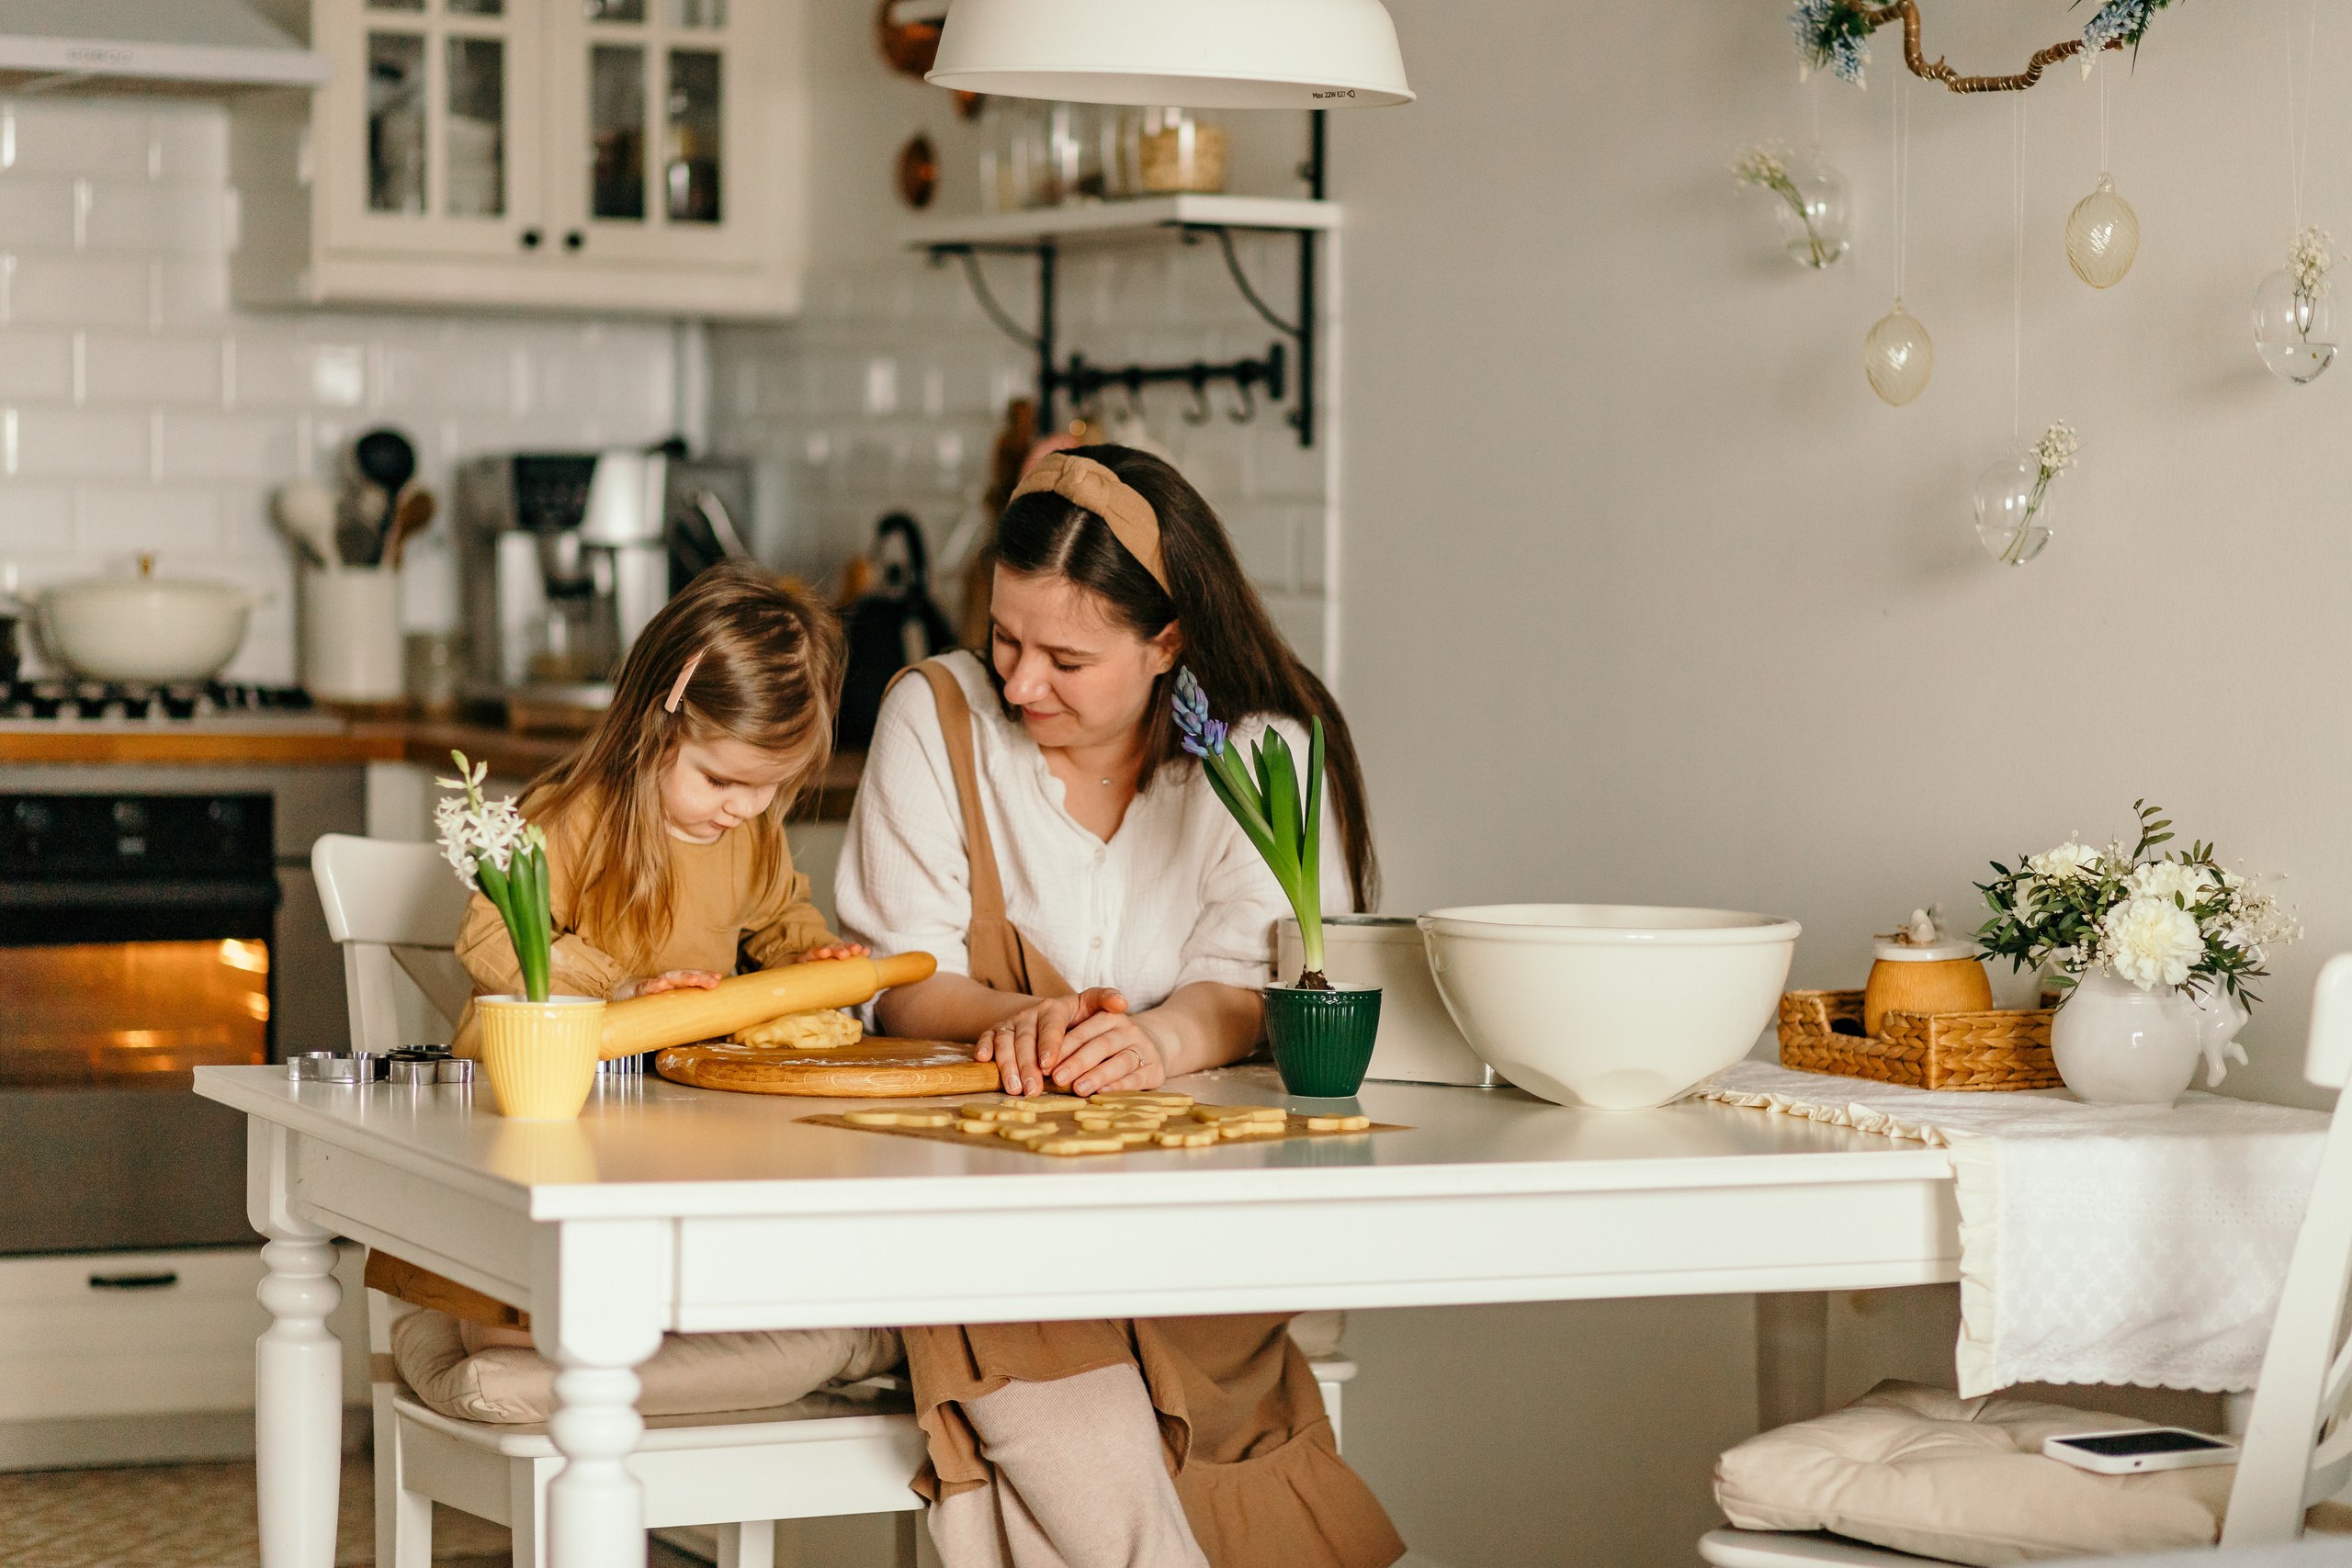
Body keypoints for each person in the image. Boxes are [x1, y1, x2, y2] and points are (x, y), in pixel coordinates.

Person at [836, 446, 1402, 1568]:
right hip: (984, 1194)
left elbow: (1260, 988)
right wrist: (1014, 1019)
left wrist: (1154, 1040)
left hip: (1196, 1208)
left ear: (1166, 642)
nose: (1019, 683)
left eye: (1066, 658)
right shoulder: (933, 717)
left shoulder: (1262, 756)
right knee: (1003, 1272)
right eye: (1004, 639)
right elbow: (899, 983)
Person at [380, 562, 900, 1414]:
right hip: (548, 1112)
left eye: (768, 785)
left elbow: (780, 918)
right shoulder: (575, 813)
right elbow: (493, 940)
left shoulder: (750, 833)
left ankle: (602, 1360)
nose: (744, 806)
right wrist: (621, 989)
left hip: (664, 1119)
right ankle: (479, 1329)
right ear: (655, 724)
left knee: (703, 1281)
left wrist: (811, 961)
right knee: (521, 1318)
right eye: (721, 781)